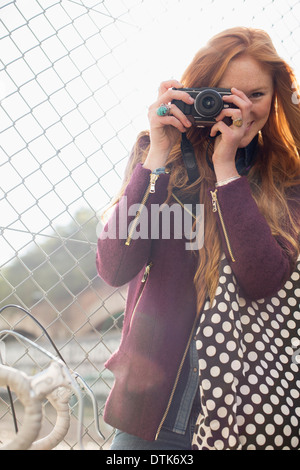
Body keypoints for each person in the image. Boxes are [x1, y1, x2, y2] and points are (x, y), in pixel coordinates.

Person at [96, 27, 300, 450]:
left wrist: (228, 172)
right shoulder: (159, 156)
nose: (239, 107)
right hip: (151, 409)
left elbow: (262, 279)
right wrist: (156, 156)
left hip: (247, 409)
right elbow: (115, 266)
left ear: (276, 96)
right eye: (223, 94)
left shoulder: (286, 179)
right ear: (197, 91)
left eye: (255, 95)